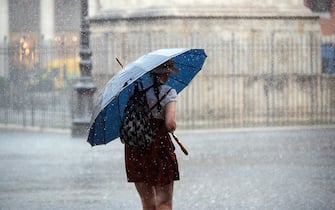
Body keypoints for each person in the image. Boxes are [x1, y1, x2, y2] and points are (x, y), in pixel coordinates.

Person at [124, 59, 180, 210]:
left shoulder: (133, 91)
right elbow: (169, 124)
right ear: (165, 73)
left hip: (136, 149)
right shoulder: (168, 92)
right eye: (168, 71)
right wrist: (173, 126)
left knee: (148, 204)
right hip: (158, 147)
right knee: (164, 202)